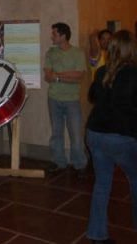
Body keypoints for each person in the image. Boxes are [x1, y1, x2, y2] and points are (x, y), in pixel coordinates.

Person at [86, 30, 137, 244]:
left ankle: (97, 235)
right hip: (121, 137)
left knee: (102, 183)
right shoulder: (134, 73)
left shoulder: (103, 72)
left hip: (95, 134)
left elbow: (92, 96)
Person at [43, 22, 88, 173]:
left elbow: (79, 76)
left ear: (63, 36)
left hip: (72, 100)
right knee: (56, 132)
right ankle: (58, 161)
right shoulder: (51, 52)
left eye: (54, 34)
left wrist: (58, 76)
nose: (52, 36)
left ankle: (79, 164)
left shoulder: (78, 53)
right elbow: (48, 76)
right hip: (54, 98)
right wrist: (67, 74)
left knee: (75, 133)